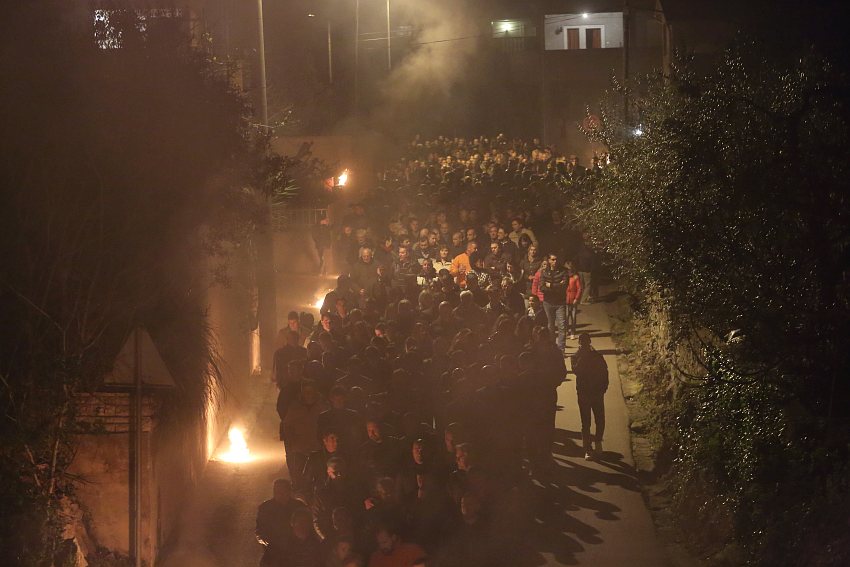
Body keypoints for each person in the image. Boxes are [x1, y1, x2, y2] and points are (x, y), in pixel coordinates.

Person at [571, 333, 608, 460]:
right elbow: (576, 371)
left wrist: (604, 387)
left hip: (596, 392)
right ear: (580, 343)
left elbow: (604, 371)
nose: (584, 344)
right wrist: (583, 357)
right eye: (582, 342)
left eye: (586, 341)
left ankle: (598, 442)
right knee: (586, 422)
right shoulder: (576, 357)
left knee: (600, 420)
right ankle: (587, 448)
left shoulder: (597, 356)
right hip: (584, 393)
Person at [256, 479, 308, 567]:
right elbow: (259, 530)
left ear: (289, 491)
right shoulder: (265, 508)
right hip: (274, 550)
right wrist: (267, 541)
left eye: (283, 491)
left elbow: (307, 528)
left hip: (297, 550)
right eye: (277, 491)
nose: (280, 494)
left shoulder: (298, 506)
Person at [539, 254, 567, 351]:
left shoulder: (563, 271)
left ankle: (561, 349)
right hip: (548, 302)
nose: (555, 261)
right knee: (550, 326)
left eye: (556, 259)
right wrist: (557, 285)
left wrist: (550, 285)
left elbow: (564, 287)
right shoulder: (544, 272)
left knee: (562, 326)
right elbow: (542, 287)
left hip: (560, 303)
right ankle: (552, 347)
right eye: (553, 259)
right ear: (549, 261)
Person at [565, 263, 582, 340]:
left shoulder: (575, 277)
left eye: (569, 269)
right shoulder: (564, 277)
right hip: (565, 299)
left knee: (573, 316)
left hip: (573, 298)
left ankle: (572, 332)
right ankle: (565, 331)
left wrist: (576, 298)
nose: (568, 271)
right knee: (565, 316)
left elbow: (579, 288)